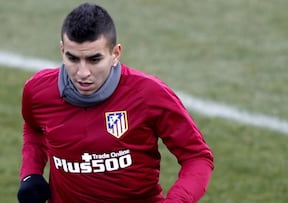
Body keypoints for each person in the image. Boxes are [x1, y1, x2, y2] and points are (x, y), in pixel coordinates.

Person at [17, 2, 214, 203]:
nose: (83, 73)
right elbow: (33, 128)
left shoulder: (149, 94)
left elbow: (197, 157)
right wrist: (30, 173)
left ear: (115, 54)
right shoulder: (38, 92)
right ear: (62, 51)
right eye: (73, 59)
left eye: (94, 60)